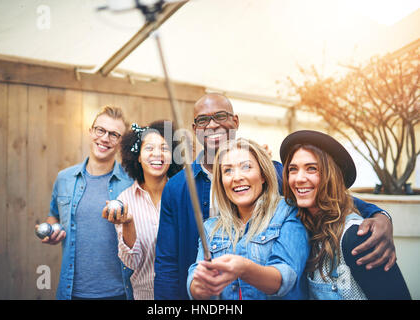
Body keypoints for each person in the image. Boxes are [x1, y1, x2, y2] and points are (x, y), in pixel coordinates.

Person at [154, 93, 395, 300]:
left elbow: (326, 195)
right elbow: (167, 265)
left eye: (221, 116)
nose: (213, 125)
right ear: (195, 129)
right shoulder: (178, 189)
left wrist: (379, 215)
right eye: (203, 120)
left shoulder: (280, 186)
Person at [280, 130, 411, 300]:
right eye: (293, 169)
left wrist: (383, 215)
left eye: (311, 169)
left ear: (331, 176)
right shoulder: (301, 226)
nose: (299, 178)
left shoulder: (357, 237)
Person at [187, 138, 309, 300]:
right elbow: (195, 284)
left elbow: (284, 279)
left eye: (246, 167)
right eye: (228, 170)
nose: (237, 177)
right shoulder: (211, 227)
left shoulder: (288, 212)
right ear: (221, 181)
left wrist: (244, 268)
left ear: (263, 175)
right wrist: (201, 286)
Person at [36, 106, 134, 300]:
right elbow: (53, 214)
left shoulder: (131, 183)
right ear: (91, 131)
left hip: (119, 293)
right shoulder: (64, 178)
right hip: (72, 292)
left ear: (121, 142)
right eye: (100, 130)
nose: (105, 138)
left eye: (114, 134)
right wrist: (53, 230)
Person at [102, 120, 183, 300]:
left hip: (183, 294)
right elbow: (131, 261)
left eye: (164, 148)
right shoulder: (125, 200)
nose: (157, 154)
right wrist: (128, 223)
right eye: (149, 148)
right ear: (138, 156)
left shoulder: (183, 196)